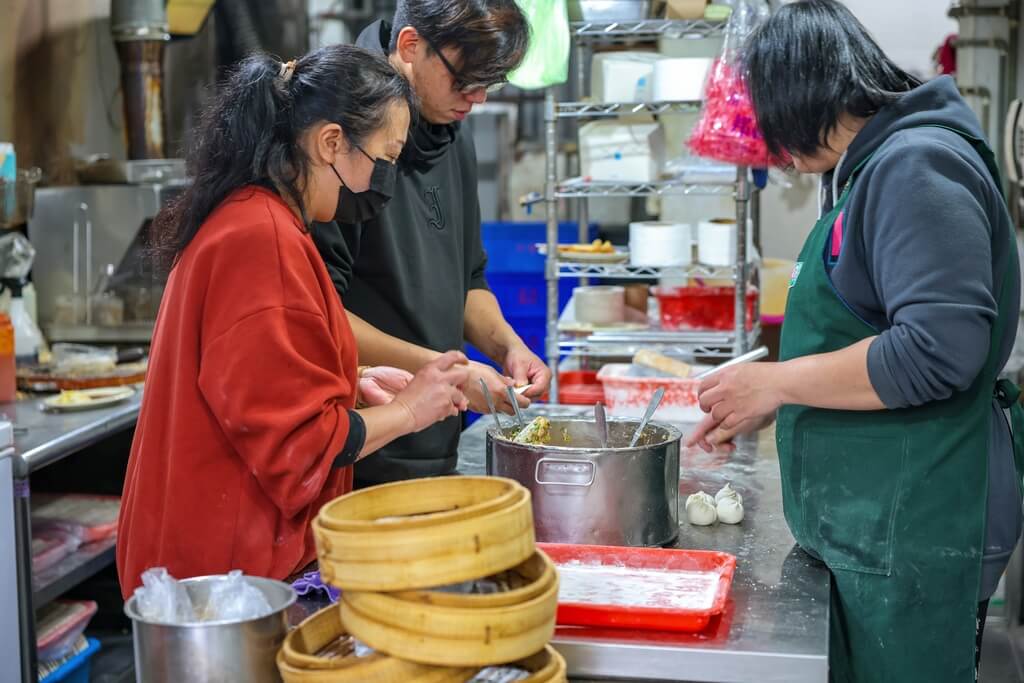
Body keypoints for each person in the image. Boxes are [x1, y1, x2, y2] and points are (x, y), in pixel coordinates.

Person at [686, 2, 1024, 680]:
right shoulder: (875, 167)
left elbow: (937, 350)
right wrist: (773, 396)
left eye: (781, 135)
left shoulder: (916, 166)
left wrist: (777, 383)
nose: (786, 157)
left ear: (807, 97)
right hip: (882, 530)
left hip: (915, 531)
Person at [117, 45, 471, 596]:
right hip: (223, 584)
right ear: (331, 141)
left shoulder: (256, 218)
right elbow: (300, 449)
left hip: (215, 567)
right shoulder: (263, 239)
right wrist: (408, 410)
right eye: (385, 157)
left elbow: (250, 383)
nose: (387, 178)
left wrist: (345, 381)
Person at [312, 0, 546, 486]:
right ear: (410, 46)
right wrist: (454, 374)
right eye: (465, 80)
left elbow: (466, 277)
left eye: (490, 82)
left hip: (437, 436)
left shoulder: (450, 130)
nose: (477, 97)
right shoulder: (341, 140)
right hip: (358, 443)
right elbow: (318, 317)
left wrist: (508, 347)